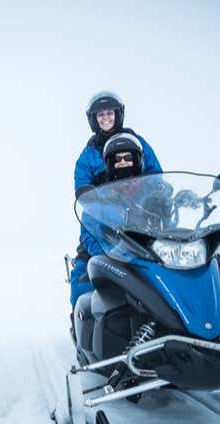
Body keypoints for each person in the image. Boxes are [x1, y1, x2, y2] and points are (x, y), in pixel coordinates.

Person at [70, 92, 164, 313]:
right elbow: (82, 188)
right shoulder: (87, 156)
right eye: (100, 115)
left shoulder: (138, 143)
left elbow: (156, 178)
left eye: (109, 113)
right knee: (83, 275)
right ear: (93, 119)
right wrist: (91, 198)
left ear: (118, 115)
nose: (106, 118)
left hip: (142, 220)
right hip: (103, 223)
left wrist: (158, 198)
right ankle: (83, 317)